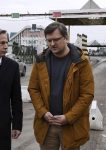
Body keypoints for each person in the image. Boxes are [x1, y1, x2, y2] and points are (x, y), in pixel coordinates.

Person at [28, 22, 94, 150]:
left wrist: (68, 117)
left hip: (71, 125)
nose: (52, 44)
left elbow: (87, 94)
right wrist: (43, 112)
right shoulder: (41, 61)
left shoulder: (81, 62)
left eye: (56, 39)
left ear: (66, 38)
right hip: (47, 125)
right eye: (49, 40)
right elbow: (33, 89)